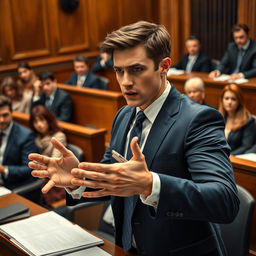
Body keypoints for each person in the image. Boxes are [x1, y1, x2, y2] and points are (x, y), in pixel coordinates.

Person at [29, 21, 239, 256]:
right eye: (119, 70)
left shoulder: (198, 119)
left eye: (136, 69)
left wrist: (151, 185)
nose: (125, 81)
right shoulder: (125, 114)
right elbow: (115, 174)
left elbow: (224, 200)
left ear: (164, 66)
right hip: (128, 246)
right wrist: (79, 178)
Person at [0, 95, 39, 202]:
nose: (1, 120)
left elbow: (29, 169)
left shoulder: (25, 136)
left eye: (5, 115)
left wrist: (3, 169)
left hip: (15, 187)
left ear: (12, 113)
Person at [29, 105, 67, 207]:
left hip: (52, 179)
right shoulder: (35, 138)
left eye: (42, 120)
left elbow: (54, 161)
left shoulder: (59, 136)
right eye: (35, 122)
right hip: (37, 176)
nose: (39, 124)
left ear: (48, 120)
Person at [218, 83, 256, 155]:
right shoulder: (217, 117)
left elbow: (246, 146)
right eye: (226, 98)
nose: (229, 102)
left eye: (233, 99)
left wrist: (227, 156)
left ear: (239, 101)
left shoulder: (248, 120)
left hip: (234, 159)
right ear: (222, 100)